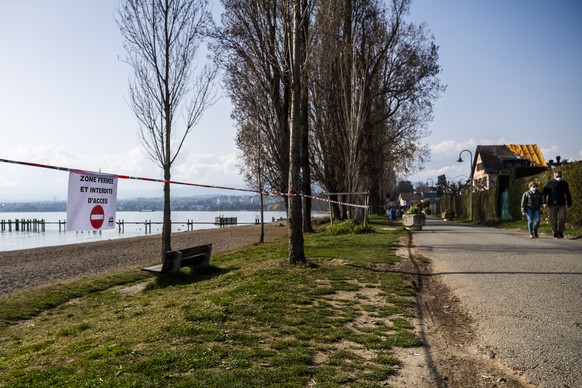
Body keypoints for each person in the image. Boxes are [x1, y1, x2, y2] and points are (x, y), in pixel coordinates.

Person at [542, 170, 572, 238]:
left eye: (560, 176)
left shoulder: (564, 183)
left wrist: (569, 202)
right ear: (554, 175)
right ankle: (555, 232)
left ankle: (560, 231)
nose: (559, 177)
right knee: (553, 219)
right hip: (552, 204)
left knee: (563, 217)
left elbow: (567, 193)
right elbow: (544, 193)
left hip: (561, 203)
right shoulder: (549, 183)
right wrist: (544, 202)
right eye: (557, 176)